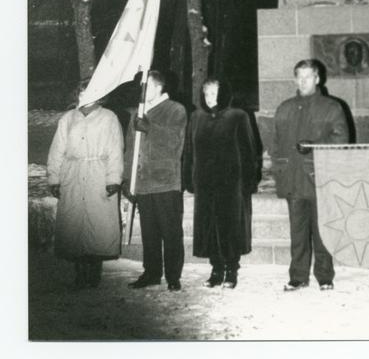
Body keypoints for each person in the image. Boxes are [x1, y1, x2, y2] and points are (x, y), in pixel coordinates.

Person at [271, 59, 349, 292]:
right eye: (300, 77)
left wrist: (314, 146)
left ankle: (324, 276)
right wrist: (280, 169)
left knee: (322, 230)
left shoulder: (331, 108)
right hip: (293, 179)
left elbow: (341, 141)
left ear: (318, 79)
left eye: (308, 77)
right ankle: (298, 276)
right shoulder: (285, 108)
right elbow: (276, 144)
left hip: (319, 178)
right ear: (295, 79)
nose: (303, 82)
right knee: (297, 232)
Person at [184, 78, 259, 289]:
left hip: (230, 184)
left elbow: (248, 151)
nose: (209, 98)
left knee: (230, 227)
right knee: (209, 227)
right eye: (206, 94)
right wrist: (189, 178)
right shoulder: (196, 117)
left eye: (214, 94)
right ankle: (216, 269)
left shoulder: (238, 116)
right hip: (205, 183)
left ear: (223, 94)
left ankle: (231, 269)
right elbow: (189, 151)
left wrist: (248, 181)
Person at [47, 88, 124, 289]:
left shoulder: (109, 118)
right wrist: (54, 178)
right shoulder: (68, 119)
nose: (84, 96)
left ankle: (94, 272)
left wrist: (113, 178)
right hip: (72, 174)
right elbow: (57, 150)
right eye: (81, 93)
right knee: (75, 224)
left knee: (97, 223)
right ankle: (80, 273)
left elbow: (116, 150)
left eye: (88, 92)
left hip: (98, 174)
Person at [123, 70, 187, 292]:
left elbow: (176, 142)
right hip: (143, 181)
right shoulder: (137, 113)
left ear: (159, 87)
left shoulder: (175, 110)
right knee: (149, 232)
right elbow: (130, 148)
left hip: (165, 181)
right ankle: (151, 273)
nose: (142, 91)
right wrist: (127, 179)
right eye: (141, 87)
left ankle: (173, 275)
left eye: (147, 86)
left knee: (170, 231)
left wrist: (150, 128)